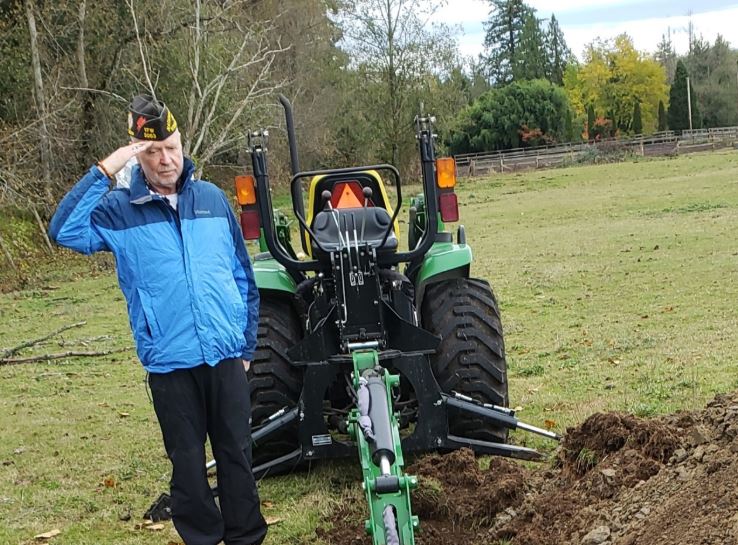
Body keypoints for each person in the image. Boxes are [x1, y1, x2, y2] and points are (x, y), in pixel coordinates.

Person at [48, 94, 267, 545]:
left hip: (226, 357)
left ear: (182, 144)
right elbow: (63, 230)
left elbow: (242, 274)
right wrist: (107, 169)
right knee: (188, 467)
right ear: (135, 154)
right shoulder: (117, 210)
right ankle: (204, 539)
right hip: (170, 362)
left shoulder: (211, 199)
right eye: (151, 151)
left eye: (171, 146)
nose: (165, 159)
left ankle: (247, 538)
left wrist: (246, 347)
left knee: (237, 458)